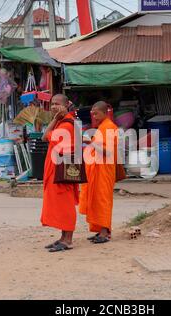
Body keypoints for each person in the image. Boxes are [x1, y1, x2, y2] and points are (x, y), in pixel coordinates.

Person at [40, 94, 79, 253]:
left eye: (57, 104)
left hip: (63, 172)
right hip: (59, 170)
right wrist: (56, 119)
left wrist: (55, 119)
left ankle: (68, 240)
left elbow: (44, 137)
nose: (54, 106)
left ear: (66, 105)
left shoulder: (66, 125)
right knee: (61, 204)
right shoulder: (62, 122)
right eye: (52, 104)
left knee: (66, 205)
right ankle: (63, 237)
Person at [79, 101, 119, 244]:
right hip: (97, 169)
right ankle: (100, 230)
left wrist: (90, 142)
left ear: (105, 112)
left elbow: (107, 152)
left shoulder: (109, 127)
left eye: (96, 113)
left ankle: (104, 232)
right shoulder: (102, 127)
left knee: (102, 200)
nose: (94, 116)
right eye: (92, 114)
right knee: (96, 199)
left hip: (104, 170)